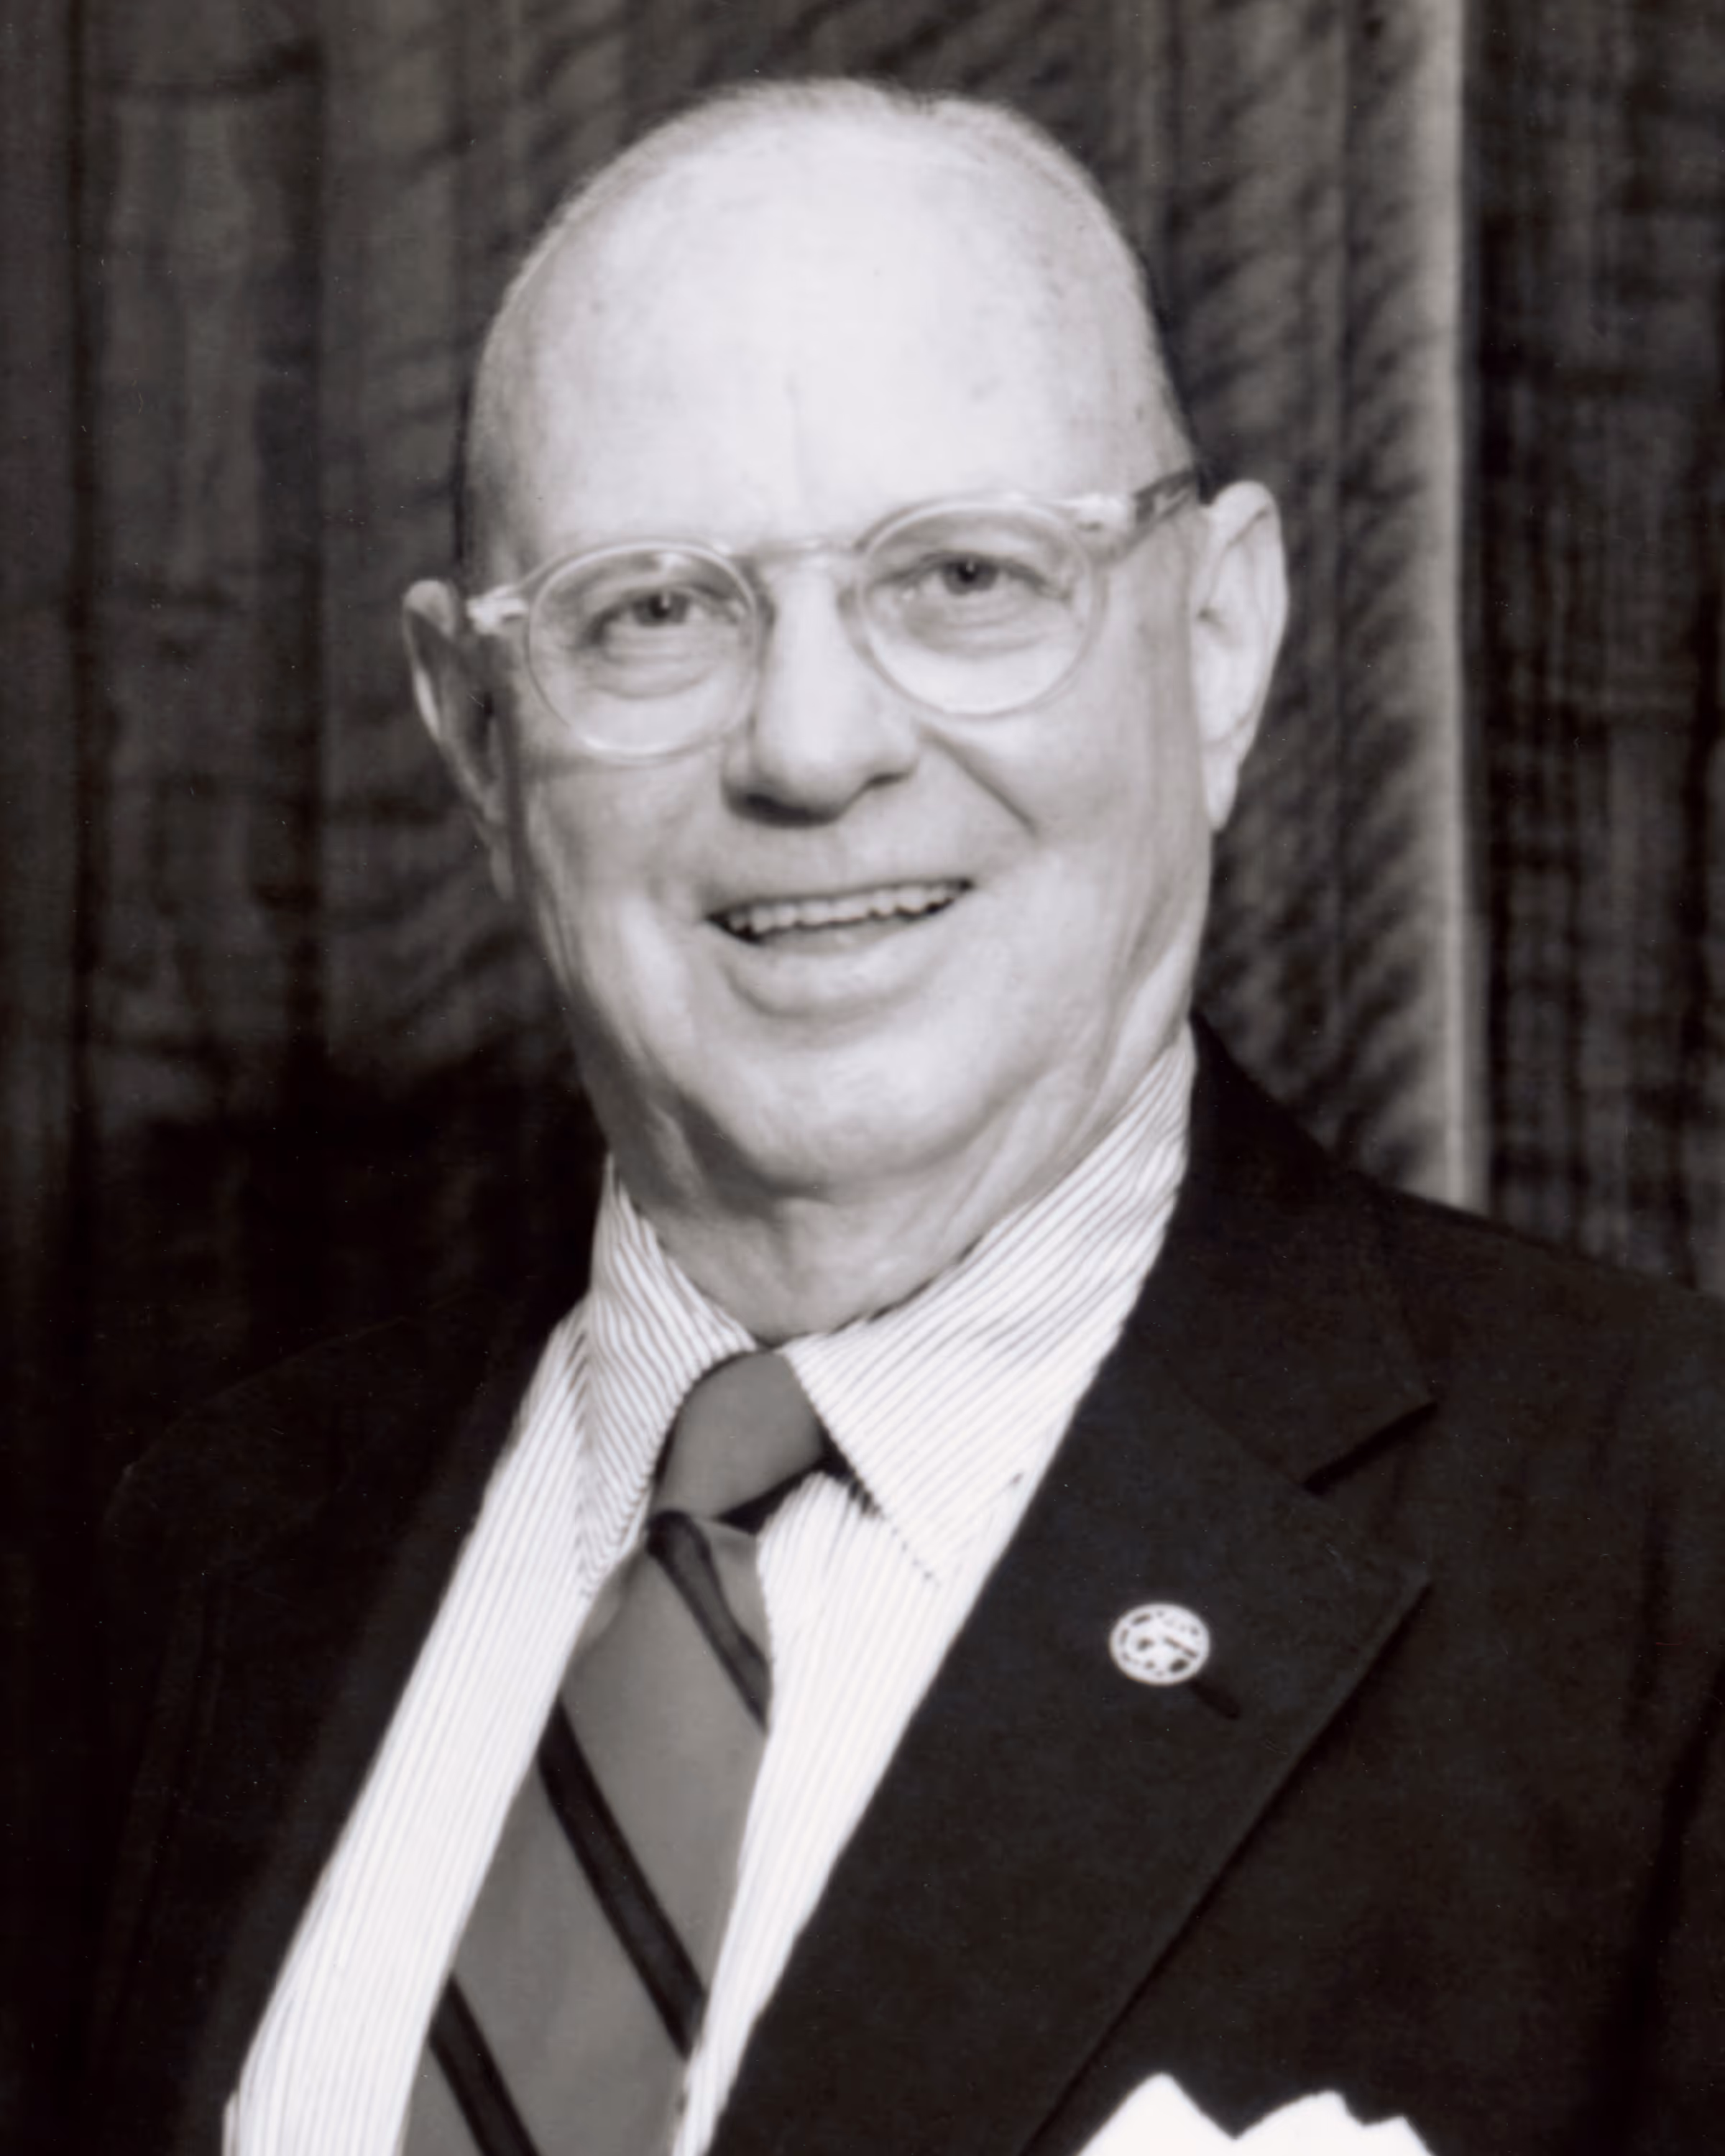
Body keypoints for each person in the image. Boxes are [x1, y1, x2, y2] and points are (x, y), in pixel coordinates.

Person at [78, 76, 1725, 2156]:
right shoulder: (195, 1564)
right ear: (481, 739)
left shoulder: (1664, 1565)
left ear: (1218, 641)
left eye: (961, 576)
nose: (813, 743)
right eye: (654, 610)